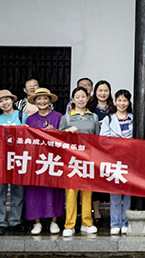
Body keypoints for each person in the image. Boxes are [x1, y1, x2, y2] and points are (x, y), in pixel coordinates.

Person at [59, 86, 101, 237]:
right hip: (71, 160)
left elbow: (97, 139)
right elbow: (58, 138)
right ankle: (69, 224)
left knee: (87, 191)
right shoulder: (66, 118)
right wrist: (67, 131)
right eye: (77, 97)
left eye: (83, 96)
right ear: (73, 100)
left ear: (88, 98)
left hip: (88, 159)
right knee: (71, 192)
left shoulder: (93, 117)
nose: (81, 99)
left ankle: (86, 222)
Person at [24, 88, 64, 235]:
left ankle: (54, 221)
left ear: (49, 100)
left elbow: (65, 138)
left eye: (45, 98)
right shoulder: (30, 119)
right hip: (35, 160)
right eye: (39, 99)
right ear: (34, 102)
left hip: (54, 159)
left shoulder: (59, 117)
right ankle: (37, 222)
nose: (42, 101)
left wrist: (55, 132)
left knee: (54, 190)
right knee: (35, 191)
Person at [0, 89, 26, 235]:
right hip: (2, 157)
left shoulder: (22, 116)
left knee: (18, 190)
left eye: (7, 99)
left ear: (12, 100)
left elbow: (29, 135)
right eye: (1, 101)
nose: (4, 103)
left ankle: (15, 221)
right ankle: (0, 222)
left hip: (19, 157)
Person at [99, 89, 133, 236]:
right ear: (115, 101)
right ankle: (114, 223)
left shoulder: (133, 118)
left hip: (130, 160)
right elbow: (103, 139)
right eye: (119, 100)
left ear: (129, 102)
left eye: (125, 100)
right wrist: (119, 145)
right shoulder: (109, 119)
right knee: (114, 193)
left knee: (129, 193)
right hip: (113, 160)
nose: (122, 103)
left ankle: (125, 222)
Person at [87, 80, 115, 225]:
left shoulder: (113, 109)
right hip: (93, 149)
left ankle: (114, 213)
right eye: (100, 90)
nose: (103, 93)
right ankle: (96, 212)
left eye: (106, 90)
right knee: (95, 181)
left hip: (110, 151)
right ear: (95, 92)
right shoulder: (89, 108)